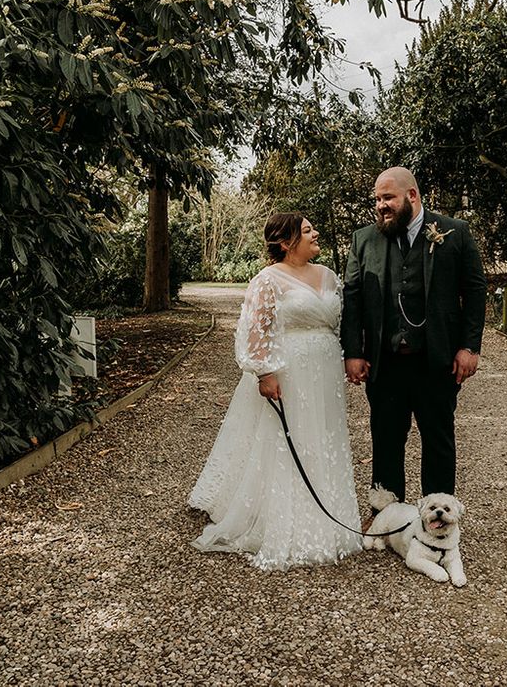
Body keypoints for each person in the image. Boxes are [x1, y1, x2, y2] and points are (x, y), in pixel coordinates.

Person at [189, 212, 363, 571]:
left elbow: (342, 323)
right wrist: (264, 372)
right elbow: (256, 332)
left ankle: (330, 515)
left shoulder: (328, 275)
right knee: (289, 441)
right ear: (286, 243)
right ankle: (285, 520)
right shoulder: (267, 280)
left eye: (313, 227)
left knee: (324, 439)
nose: (315, 233)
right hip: (290, 372)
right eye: (306, 230)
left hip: (325, 372)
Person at [340, 167, 487, 530]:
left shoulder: (455, 233)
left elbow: (475, 290)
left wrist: (469, 347)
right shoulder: (364, 240)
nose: (381, 206)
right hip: (385, 363)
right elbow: (353, 297)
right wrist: (353, 352)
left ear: (412, 196)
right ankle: (387, 521)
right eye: (377, 199)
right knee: (386, 440)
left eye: (387, 198)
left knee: (438, 440)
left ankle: (437, 521)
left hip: (435, 361)